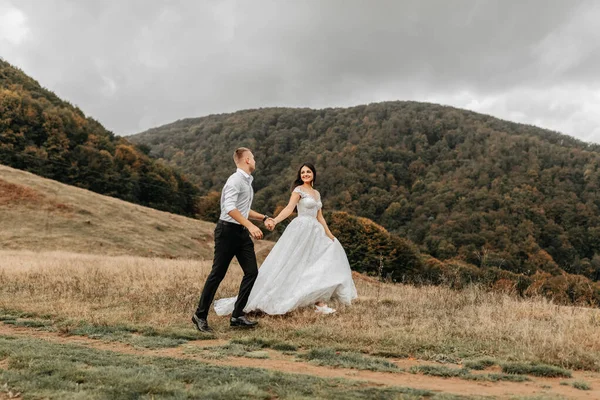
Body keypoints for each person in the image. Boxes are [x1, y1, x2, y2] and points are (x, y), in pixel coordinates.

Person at [214, 163, 357, 316]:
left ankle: (319, 302)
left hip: (316, 232)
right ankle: (276, 297)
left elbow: (320, 216)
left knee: (315, 264)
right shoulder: (298, 190)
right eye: (303, 172)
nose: (305, 174)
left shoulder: (316, 193)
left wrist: (330, 235)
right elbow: (289, 208)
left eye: (308, 172)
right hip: (301, 229)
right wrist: (274, 220)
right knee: (294, 263)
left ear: (314, 174)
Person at [192, 148, 274, 332]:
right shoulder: (235, 180)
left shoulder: (247, 181)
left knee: (252, 272)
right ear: (246, 160)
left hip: (241, 233)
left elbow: (243, 208)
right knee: (217, 274)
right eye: (253, 157)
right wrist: (250, 226)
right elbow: (229, 208)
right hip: (227, 232)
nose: (255, 160)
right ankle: (200, 315)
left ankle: (237, 316)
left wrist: (263, 218)